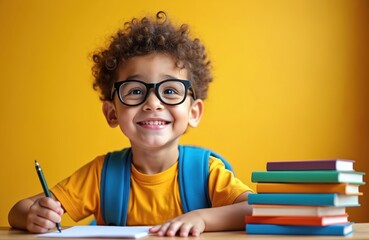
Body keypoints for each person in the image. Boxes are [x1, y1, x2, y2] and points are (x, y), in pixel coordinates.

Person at [8, 11, 253, 237]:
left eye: (169, 90)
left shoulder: (206, 173)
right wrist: (34, 215)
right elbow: (19, 209)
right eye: (135, 91)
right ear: (112, 113)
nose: (153, 103)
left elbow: (255, 209)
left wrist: (201, 218)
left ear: (194, 112)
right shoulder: (99, 175)